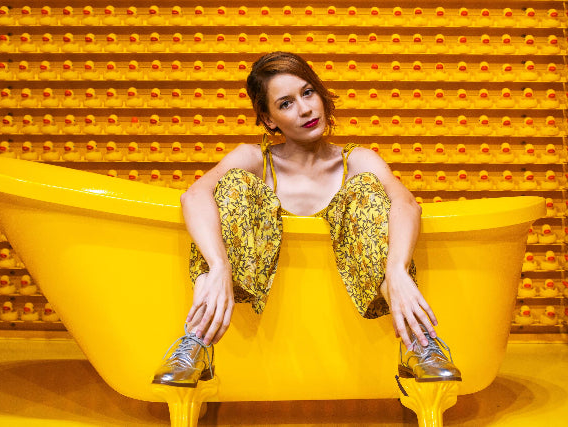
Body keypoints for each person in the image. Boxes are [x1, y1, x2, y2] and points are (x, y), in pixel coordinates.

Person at [152, 51, 461, 388]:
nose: (304, 109)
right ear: (269, 120)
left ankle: (418, 345)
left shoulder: (357, 161)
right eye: (285, 104)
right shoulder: (254, 160)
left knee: (370, 191)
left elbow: (406, 204)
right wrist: (219, 266)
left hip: (341, 323)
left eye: (308, 92)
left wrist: (397, 269)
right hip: (260, 315)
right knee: (230, 187)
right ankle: (197, 342)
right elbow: (193, 196)